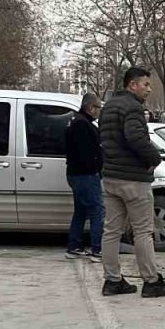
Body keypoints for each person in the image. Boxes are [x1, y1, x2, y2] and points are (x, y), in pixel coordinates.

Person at [99, 66, 165, 298]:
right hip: (133, 179)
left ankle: (112, 280)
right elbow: (135, 137)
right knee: (143, 232)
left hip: (110, 177)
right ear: (132, 85)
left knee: (111, 231)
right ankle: (151, 282)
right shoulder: (132, 108)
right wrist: (154, 158)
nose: (149, 89)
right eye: (146, 85)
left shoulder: (108, 106)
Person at [65, 93, 105, 262]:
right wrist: (96, 169)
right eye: (98, 108)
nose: (99, 112)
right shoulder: (83, 125)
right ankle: (97, 249)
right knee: (97, 211)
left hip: (76, 173)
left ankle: (74, 246)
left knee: (80, 211)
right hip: (85, 175)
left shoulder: (76, 121)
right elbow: (87, 153)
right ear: (90, 107)